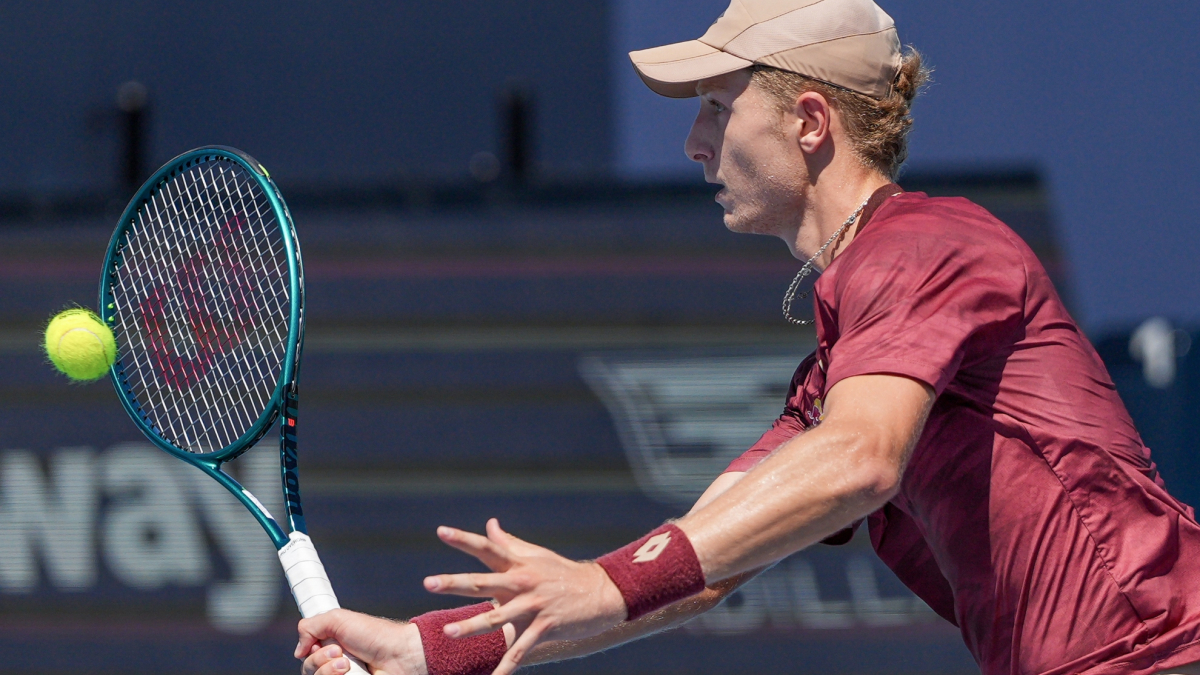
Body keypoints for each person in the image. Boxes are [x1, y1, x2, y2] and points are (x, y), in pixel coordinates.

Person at [295, 1, 1200, 674]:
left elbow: (861, 460)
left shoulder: (925, 246)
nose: (695, 144)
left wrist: (600, 583)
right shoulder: (842, 365)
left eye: (719, 108)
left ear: (809, 122)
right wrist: (421, 652)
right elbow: (700, 562)